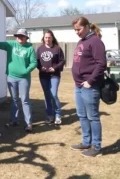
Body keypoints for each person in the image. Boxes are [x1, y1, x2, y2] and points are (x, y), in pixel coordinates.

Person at [0, 26, 37, 132]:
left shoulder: (29, 48)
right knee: (14, 100)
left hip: (24, 79)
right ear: (16, 37)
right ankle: (14, 120)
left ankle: (28, 123)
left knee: (25, 100)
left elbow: (34, 63)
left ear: (26, 38)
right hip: (11, 77)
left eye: (22, 36)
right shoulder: (11, 44)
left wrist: (26, 71)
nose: (20, 37)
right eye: (18, 36)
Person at [70, 17, 106, 157]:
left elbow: (101, 64)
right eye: (75, 30)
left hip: (89, 86)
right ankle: (86, 142)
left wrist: (90, 81)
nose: (77, 32)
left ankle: (96, 146)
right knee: (82, 115)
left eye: (78, 29)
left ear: (86, 27)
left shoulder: (95, 41)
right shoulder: (82, 41)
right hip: (78, 86)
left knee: (93, 117)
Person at [37, 30, 65, 125]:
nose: (47, 39)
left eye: (49, 37)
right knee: (47, 96)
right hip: (43, 75)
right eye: (46, 37)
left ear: (52, 38)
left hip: (54, 75)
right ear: (43, 38)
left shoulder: (57, 49)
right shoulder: (40, 49)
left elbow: (62, 61)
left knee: (53, 94)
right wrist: (41, 68)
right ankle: (49, 116)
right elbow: (36, 62)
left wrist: (55, 68)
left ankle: (57, 115)